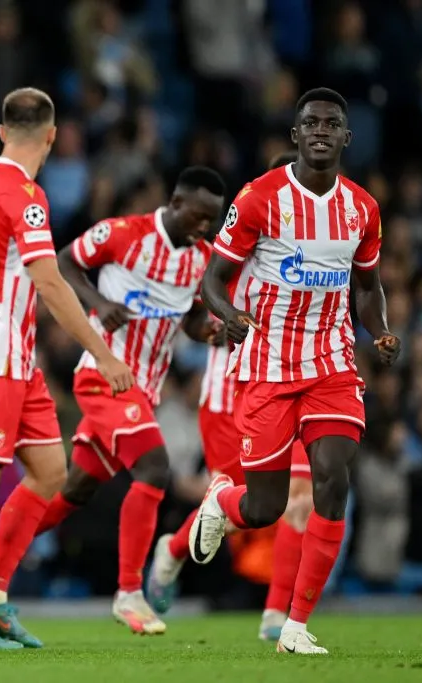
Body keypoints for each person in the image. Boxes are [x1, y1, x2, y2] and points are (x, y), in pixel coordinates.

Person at [189, 88, 400, 654]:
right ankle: (222, 504)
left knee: (333, 479)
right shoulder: (259, 198)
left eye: (333, 123)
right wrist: (230, 313)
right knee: (266, 508)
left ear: (346, 137)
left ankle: (295, 625)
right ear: (296, 135)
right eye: (311, 123)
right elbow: (213, 278)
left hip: (331, 361)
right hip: (267, 365)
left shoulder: (363, 208)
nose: (322, 131)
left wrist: (377, 327)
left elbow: (367, 285)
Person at [0, 167, 226, 636]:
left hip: (144, 388)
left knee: (74, 492)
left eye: (211, 220)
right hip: (103, 374)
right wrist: (98, 300)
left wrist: (209, 332)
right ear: (175, 204)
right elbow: (62, 262)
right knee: (155, 467)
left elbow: (191, 318)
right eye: (199, 215)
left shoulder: (202, 259)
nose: (204, 227)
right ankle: (130, 593)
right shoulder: (123, 234)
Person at [0, 87, 134, 650]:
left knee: (50, 471)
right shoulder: (26, 196)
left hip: (10, 357)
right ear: (50, 136)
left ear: (2, 131)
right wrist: (102, 353)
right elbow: (49, 280)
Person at [147, 151, 316, 642]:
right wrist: (215, 326)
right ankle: (175, 550)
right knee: (243, 510)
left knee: (298, 499)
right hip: (230, 397)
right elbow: (193, 308)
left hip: (298, 390)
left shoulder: (320, 250)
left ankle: (274, 616)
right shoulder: (235, 243)